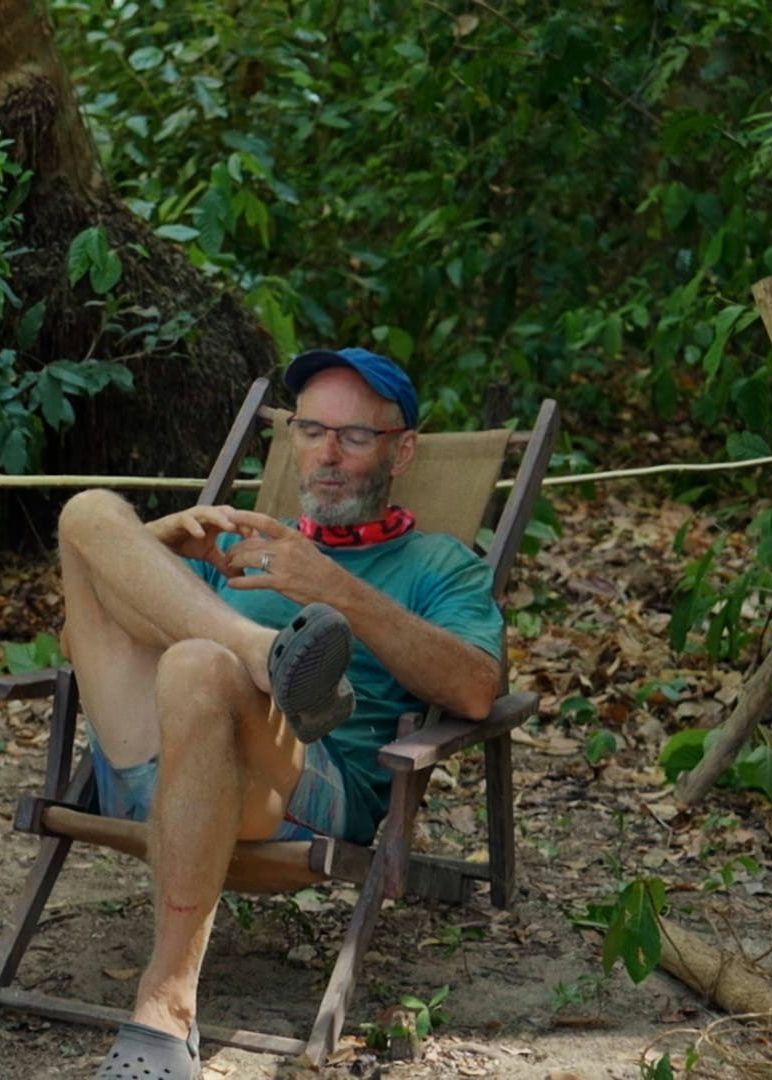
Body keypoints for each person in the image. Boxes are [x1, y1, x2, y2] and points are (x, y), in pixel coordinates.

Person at [54, 349, 504, 1079]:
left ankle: (165, 1007)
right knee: (89, 511)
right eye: (312, 431)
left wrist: (334, 588)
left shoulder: (440, 565)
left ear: (402, 452)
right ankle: (267, 655)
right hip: (149, 762)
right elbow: (82, 648)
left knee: (199, 665)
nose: (327, 454)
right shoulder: (235, 543)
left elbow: (477, 690)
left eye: (354, 436)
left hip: (297, 791)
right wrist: (150, 550)